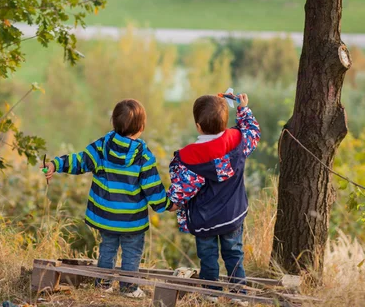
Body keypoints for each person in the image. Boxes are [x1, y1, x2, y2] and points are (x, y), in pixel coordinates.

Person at [42, 99, 172, 298]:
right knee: (132, 251)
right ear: (142, 127)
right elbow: (153, 189)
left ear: (114, 123)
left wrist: (56, 164)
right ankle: (128, 288)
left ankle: (103, 285)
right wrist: (167, 205)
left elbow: (80, 161)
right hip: (132, 221)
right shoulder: (143, 157)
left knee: (107, 249)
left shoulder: (102, 146)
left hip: (106, 217)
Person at [167, 93, 260, 305]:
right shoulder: (238, 141)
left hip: (204, 221)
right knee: (234, 253)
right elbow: (252, 131)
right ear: (225, 122)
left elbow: (182, 190)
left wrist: (168, 202)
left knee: (208, 256)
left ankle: (211, 292)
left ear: (198, 126)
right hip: (232, 215)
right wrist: (243, 109)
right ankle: (239, 294)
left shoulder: (190, 157)